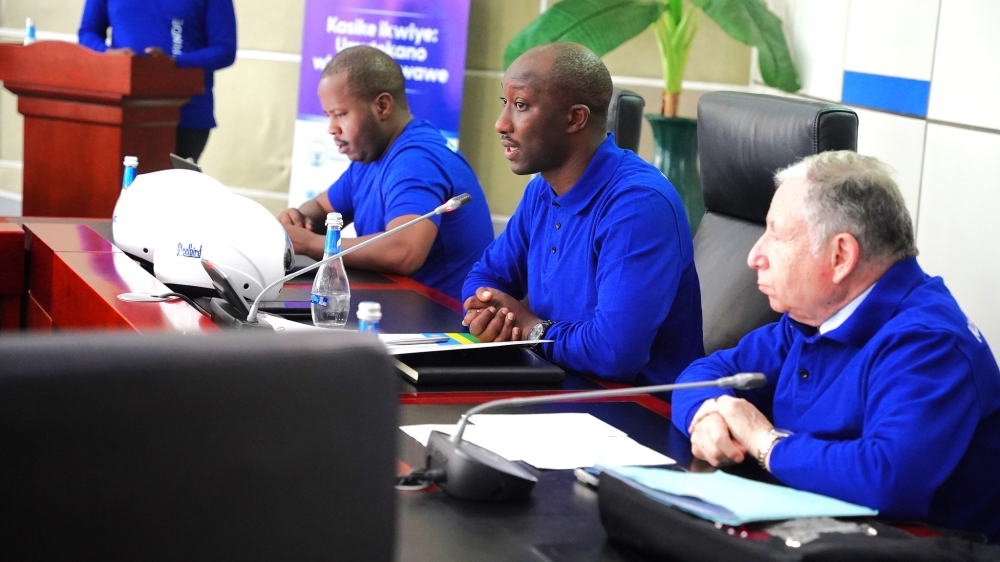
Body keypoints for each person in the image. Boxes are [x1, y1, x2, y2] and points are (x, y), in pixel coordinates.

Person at [672, 151, 1000, 541]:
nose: (754, 255)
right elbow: (704, 373)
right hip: (822, 531)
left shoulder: (930, 344)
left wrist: (764, 442)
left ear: (840, 255)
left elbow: (887, 478)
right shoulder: (812, 316)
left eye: (776, 235)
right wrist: (708, 415)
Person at [461, 42, 703, 385]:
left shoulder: (638, 205)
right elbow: (486, 275)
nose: (501, 124)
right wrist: (488, 310)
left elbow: (614, 353)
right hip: (556, 384)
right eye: (505, 103)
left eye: (520, 105)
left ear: (575, 118)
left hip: (635, 410)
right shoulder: (542, 190)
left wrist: (531, 328)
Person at [278, 46, 493, 303]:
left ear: (382, 106)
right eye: (328, 116)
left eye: (341, 114)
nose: (332, 129)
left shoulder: (416, 159)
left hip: (444, 327)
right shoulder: (371, 155)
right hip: (402, 312)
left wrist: (312, 243)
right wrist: (301, 218)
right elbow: (321, 207)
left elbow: (404, 251)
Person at [78, 0, 237, 163]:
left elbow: (224, 50)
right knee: (116, 183)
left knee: (170, 187)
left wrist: (175, 62)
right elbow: (88, 32)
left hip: (184, 114)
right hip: (119, 109)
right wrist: (106, 53)